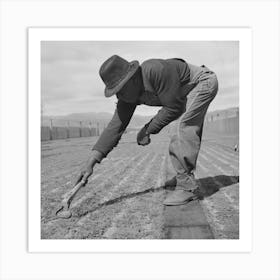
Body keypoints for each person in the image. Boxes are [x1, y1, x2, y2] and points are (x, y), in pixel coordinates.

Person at [76, 55, 218, 206]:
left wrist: (147, 129)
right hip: (184, 94)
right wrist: (90, 162)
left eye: (120, 89)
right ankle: (183, 179)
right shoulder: (128, 95)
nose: (119, 95)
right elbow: (115, 127)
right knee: (179, 127)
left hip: (202, 83)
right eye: (115, 91)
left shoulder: (156, 70)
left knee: (181, 126)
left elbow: (174, 107)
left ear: (133, 78)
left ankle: (187, 187)